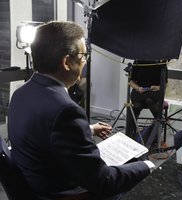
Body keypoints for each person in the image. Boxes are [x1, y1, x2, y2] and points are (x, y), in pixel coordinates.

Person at [7, 21, 155, 200]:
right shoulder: (65, 109)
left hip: (37, 184)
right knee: (139, 166)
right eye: (84, 55)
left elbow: (44, 131)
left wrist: (89, 129)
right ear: (67, 62)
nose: (85, 62)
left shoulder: (20, 94)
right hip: (63, 193)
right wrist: (148, 166)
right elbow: (102, 181)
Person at [127, 60, 167, 139]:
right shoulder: (138, 61)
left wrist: (157, 87)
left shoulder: (161, 62)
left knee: (149, 100)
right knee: (136, 105)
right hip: (140, 91)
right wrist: (137, 88)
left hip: (154, 92)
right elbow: (131, 81)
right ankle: (131, 132)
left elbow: (165, 84)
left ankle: (156, 129)